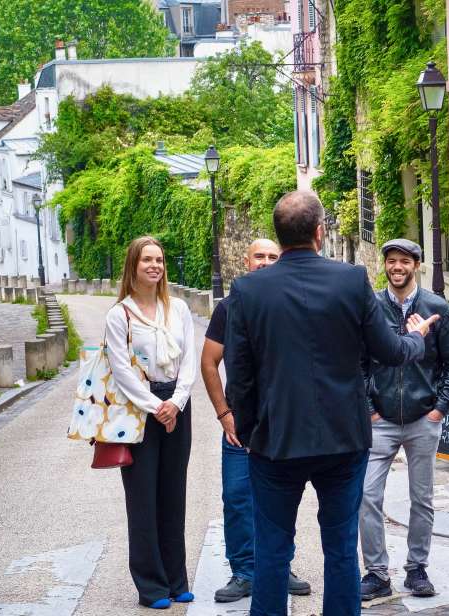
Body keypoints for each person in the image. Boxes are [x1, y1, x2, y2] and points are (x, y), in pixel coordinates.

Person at [223, 191, 439, 616]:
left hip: (276, 441)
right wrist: (417, 338)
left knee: (272, 550)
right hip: (343, 438)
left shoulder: (247, 289)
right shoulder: (351, 280)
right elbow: (390, 351)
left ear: (279, 236)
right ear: (320, 232)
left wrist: (247, 431)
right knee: (340, 550)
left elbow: (239, 374)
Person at [200, 239, 312, 603]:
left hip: (282, 422)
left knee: (282, 499)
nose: (265, 263)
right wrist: (223, 413)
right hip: (240, 425)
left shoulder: (291, 301)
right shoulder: (230, 307)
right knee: (237, 497)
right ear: (246, 261)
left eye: (272, 257)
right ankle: (245, 572)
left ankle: (281, 566)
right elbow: (209, 361)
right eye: (259, 257)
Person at [359, 238, 449, 601]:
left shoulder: (436, 307)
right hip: (381, 418)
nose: (397, 267)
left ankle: (417, 568)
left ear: (416, 265)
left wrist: (439, 409)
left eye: (404, 261)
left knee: (422, 498)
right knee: (367, 495)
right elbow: (359, 361)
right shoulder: (371, 306)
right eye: (391, 261)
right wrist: (368, 407)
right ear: (384, 265)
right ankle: (375, 572)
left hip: (422, 418)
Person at [104, 236, 198, 609]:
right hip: (138, 410)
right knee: (143, 498)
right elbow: (121, 370)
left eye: (159, 260)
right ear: (133, 266)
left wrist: (175, 403)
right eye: (147, 260)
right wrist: (155, 406)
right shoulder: (119, 315)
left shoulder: (178, 309)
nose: (155, 266)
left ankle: (177, 580)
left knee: (174, 494)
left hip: (177, 404)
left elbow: (189, 360)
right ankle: (152, 586)